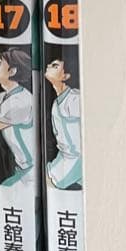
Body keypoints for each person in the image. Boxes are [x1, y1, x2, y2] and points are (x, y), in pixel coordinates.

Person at [0, 47, 36, 187]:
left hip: (31, 171)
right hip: (22, 168)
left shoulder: (20, 100)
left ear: (12, 71)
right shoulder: (4, 96)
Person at [44, 55, 81, 190]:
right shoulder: (57, 102)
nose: (48, 66)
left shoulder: (74, 99)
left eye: (55, 66)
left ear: (65, 76)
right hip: (63, 157)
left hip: (76, 159)